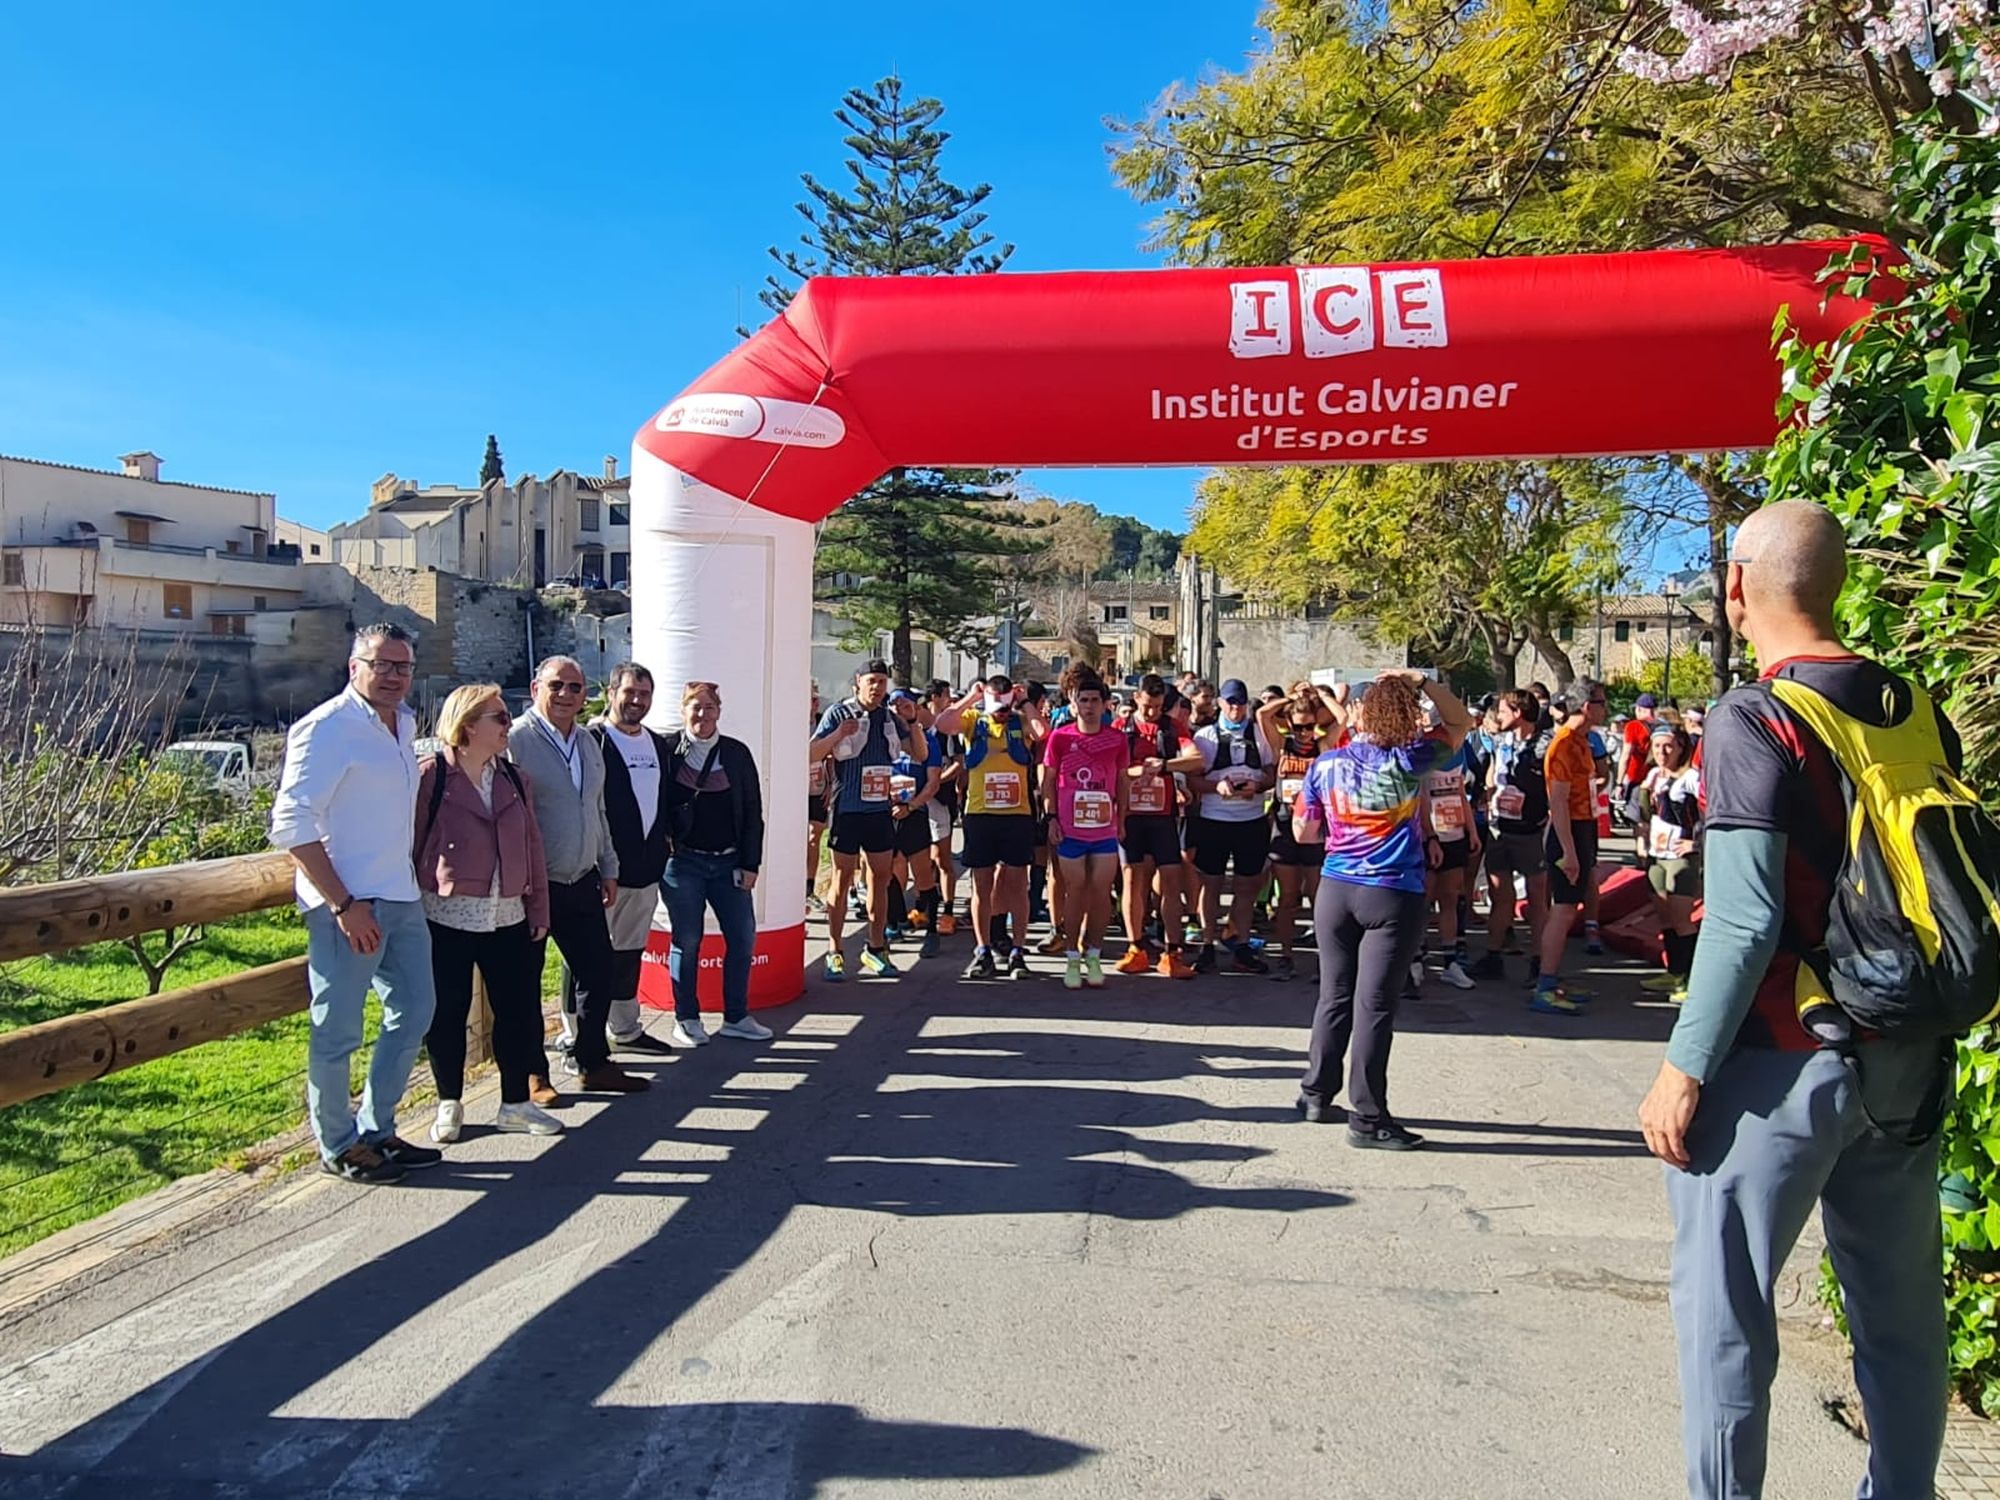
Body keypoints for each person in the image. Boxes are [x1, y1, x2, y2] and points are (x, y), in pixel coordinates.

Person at [1638, 500, 1960, 1500]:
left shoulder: (1755, 717)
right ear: (1836, 586)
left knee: (1726, 1326)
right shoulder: (1912, 707)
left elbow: (1740, 922)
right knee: (1902, 1322)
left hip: (1784, 1058)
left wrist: (1679, 1071)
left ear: (1736, 589)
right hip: (1903, 1056)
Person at [268, 623, 440, 1183]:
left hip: (399, 894)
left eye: (403, 667)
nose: (393, 676)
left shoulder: (405, 724)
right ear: (354, 667)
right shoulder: (325, 729)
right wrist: (343, 904)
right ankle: (338, 1143)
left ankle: (377, 1128)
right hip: (347, 906)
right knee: (337, 1029)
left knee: (416, 1010)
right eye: (382, 665)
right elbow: (291, 824)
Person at [1293, 671, 1471, 1150]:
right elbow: (1462, 722)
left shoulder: (1325, 765)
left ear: (1360, 715)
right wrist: (1426, 682)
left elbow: (1303, 834)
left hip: (1335, 889)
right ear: (1407, 716)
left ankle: (1315, 1093)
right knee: (1373, 1007)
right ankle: (1368, 1117)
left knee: (1333, 996)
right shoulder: (1411, 760)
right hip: (1392, 890)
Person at [415, 684, 561, 1140]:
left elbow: (532, 845)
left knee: (517, 1013)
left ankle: (515, 1103)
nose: (507, 726)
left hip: (508, 916)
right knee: (447, 1012)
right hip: (447, 917)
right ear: (467, 725)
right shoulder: (431, 777)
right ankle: (448, 1103)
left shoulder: (515, 779)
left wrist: (538, 907)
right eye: (498, 718)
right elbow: (410, 844)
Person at [510, 655, 649, 1096]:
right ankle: (534, 1073)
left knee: (597, 971)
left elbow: (598, 810)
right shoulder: (516, 741)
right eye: (557, 686)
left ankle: (593, 1061)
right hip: (534, 884)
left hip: (582, 878)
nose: (567, 695)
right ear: (537, 689)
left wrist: (608, 865)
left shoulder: (588, 743)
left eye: (575, 687)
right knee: (526, 982)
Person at [660, 680, 773, 1041]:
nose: (702, 715)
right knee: (688, 939)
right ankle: (686, 1019)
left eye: (709, 707)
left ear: (719, 712)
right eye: (695, 706)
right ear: (683, 710)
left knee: (742, 937)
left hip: (730, 863)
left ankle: (736, 1017)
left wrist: (751, 863)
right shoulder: (666, 751)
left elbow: (753, 811)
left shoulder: (736, 753)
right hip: (683, 864)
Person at [590, 663, 677, 1054]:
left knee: (628, 951)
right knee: (587, 955)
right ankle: (578, 1035)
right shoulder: (592, 740)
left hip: (645, 870)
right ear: (612, 693)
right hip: (599, 871)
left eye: (644, 694)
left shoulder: (658, 745)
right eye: (629, 693)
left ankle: (624, 1028)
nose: (637, 701)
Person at [810, 660, 915, 980]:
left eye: (882, 681)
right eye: (872, 680)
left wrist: (913, 723)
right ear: (857, 682)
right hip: (847, 809)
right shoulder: (839, 713)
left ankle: (876, 947)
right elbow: (812, 753)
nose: (877, 687)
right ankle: (834, 949)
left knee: (880, 879)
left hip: (879, 811)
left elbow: (919, 754)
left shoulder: (889, 717)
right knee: (842, 880)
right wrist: (840, 734)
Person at [936, 674, 1046, 979]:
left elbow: (1040, 732)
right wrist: (972, 698)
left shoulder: (1020, 719)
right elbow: (943, 724)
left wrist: (1024, 702)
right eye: (995, 705)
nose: (1000, 712)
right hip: (980, 813)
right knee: (981, 884)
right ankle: (983, 949)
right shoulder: (974, 719)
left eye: (1004, 704)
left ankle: (1018, 951)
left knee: (1016, 883)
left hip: (1017, 814)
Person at [1041, 666, 1131, 989]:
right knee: (1074, 890)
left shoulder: (1117, 739)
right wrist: (1050, 817)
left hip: (1104, 830)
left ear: (1105, 704)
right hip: (1070, 830)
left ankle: (1094, 953)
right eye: (1084, 700)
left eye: (1095, 699)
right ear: (1073, 703)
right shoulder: (1061, 737)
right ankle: (1071, 957)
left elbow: (1122, 781)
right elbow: (1048, 781)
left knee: (1101, 891)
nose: (1089, 706)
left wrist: (1121, 820)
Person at [1115, 674, 1205, 978]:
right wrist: (1136, 771)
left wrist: (1164, 766)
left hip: (1163, 815)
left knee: (1170, 879)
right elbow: (1114, 767)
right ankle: (1135, 947)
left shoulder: (1171, 727)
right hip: (1130, 815)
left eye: (1158, 706)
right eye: (1148, 705)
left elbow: (1195, 759)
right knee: (1132, 879)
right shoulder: (1122, 727)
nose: (1152, 711)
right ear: (1137, 698)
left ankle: (1172, 952)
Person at [1530, 681, 1609, 1016]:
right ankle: (1544, 984)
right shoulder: (1562, 744)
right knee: (1562, 910)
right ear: (1585, 706)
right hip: (1569, 830)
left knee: (1569, 906)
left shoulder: (1582, 742)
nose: (1606, 708)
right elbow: (1558, 802)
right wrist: (1569, 851)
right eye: (1601, 702)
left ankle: (1553, 977)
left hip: (1584, 825)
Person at [1189, 679, 1275, 973]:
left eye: (1240, 703)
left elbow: (1272, 773)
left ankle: (1240, 943)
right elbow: (1194, 780)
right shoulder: (1205, 736)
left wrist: (1257, 784)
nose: (1235, 708)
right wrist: (1219, 788)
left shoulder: (1261, 734)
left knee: (1247, 885)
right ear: (1220, 704)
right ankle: (1207, 945)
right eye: (1230, 702)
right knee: (1210, 883)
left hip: (1251, 820)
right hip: (1215, 820)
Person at [1473, 689, 1552, 983]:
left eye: (1503, 711)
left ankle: (1539, 961)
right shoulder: (1502, 740)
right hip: (1501, 827)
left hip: (1531, 830)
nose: (1498, 717)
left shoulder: (1545, 745)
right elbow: (1495, 770)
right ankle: (1493, 955)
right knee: (1499, 894)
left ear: (1518, 713)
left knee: (1536, 898)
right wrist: (1490, 792)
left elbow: (1553, 786)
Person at [1256, 685, 1332, 982]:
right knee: (1287, 898)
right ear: (1289, 724)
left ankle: (1324, 962)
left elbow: (1341, 719)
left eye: (1309, 727)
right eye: (1298, 727)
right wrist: (1292, 698)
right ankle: (1286, 957)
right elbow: (1263, 713)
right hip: (1285, 826)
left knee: (1318, 898)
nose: (1304, 733)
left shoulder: (1322, 747)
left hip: (1314, 830)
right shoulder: (1282, 744)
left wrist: (1318, 697)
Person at [1637, 723, 1703, 1005]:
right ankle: (1674, 971)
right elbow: (1642, 816)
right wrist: (1641, 845)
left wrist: (1696, 844)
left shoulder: (1691, 778)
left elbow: (1710, 813)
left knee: (1681, 918)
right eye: (1657, 746)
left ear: (1680, 748)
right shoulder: (1652, 776)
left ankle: (1691, 978)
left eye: (1668, 746)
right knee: (1664, 916)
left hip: (1681, 856)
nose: (1662, 752)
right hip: (1656, 854)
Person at [1414, 723, 1480, 991]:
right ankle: (1416, 957)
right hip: (1430, 837)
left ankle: (1450, 960)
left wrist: (1471, 831)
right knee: (1425, 898)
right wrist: (1429, 837)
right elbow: (1419, 801)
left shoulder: (1458, 753)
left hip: (1455, 834)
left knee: (1451, 896)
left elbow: (1461, 793)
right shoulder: (1420, 757)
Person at [886, 688, 944, 958]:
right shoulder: (882, 738)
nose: (899, 709)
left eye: (905, 705)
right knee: (889, 869)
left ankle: (932, 930)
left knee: (922, 874)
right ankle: (893, 922)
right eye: (894, 705)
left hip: (914, 813)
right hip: (887, 812)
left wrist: (911, 806)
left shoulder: (927, 740)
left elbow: (933, 782)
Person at [924, 679, 965, 934]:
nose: (950, 700)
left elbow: (959, 763)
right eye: (947, 695)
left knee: (942, 858)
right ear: (935, 697)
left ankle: (948, 911)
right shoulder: (914, 730)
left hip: (942, 799)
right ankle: (925, 906)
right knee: (921, 859)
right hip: (916, 802)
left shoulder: (948, 732)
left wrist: (937, 780)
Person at [807, 682, 830, 908]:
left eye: (816, 700)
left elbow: (832, 755)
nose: (814, 704)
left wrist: (831, 785)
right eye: (810, 700)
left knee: (815, 837)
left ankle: (809, 887)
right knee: (795, 840)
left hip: (818, 786)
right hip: (794, 789)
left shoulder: (824, 721)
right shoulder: (791, 721)